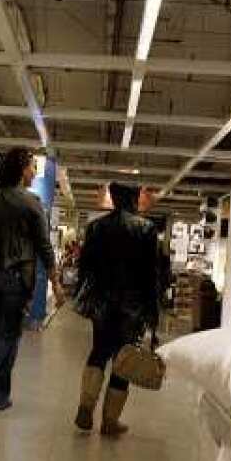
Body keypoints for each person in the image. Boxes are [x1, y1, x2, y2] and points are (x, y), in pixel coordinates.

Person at [0, 148, 64, 411]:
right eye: (32, 166)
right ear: (22, 169)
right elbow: (44, 246)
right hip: (17, 278)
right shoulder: (31, 203)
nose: (34, 172)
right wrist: (55, 281)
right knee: (9, 335)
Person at [73, 182, 162, 436]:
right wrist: (152, 310)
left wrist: (84, 298)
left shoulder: (96, 227)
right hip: (132, 306)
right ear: (134, 199)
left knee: (98, 351)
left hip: (101, 302)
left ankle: (86, 406)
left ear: (113, 198)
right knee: (125, 360)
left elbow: (85, 268)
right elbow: (151, 274)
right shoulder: (146, 229)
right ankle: (110, 420)